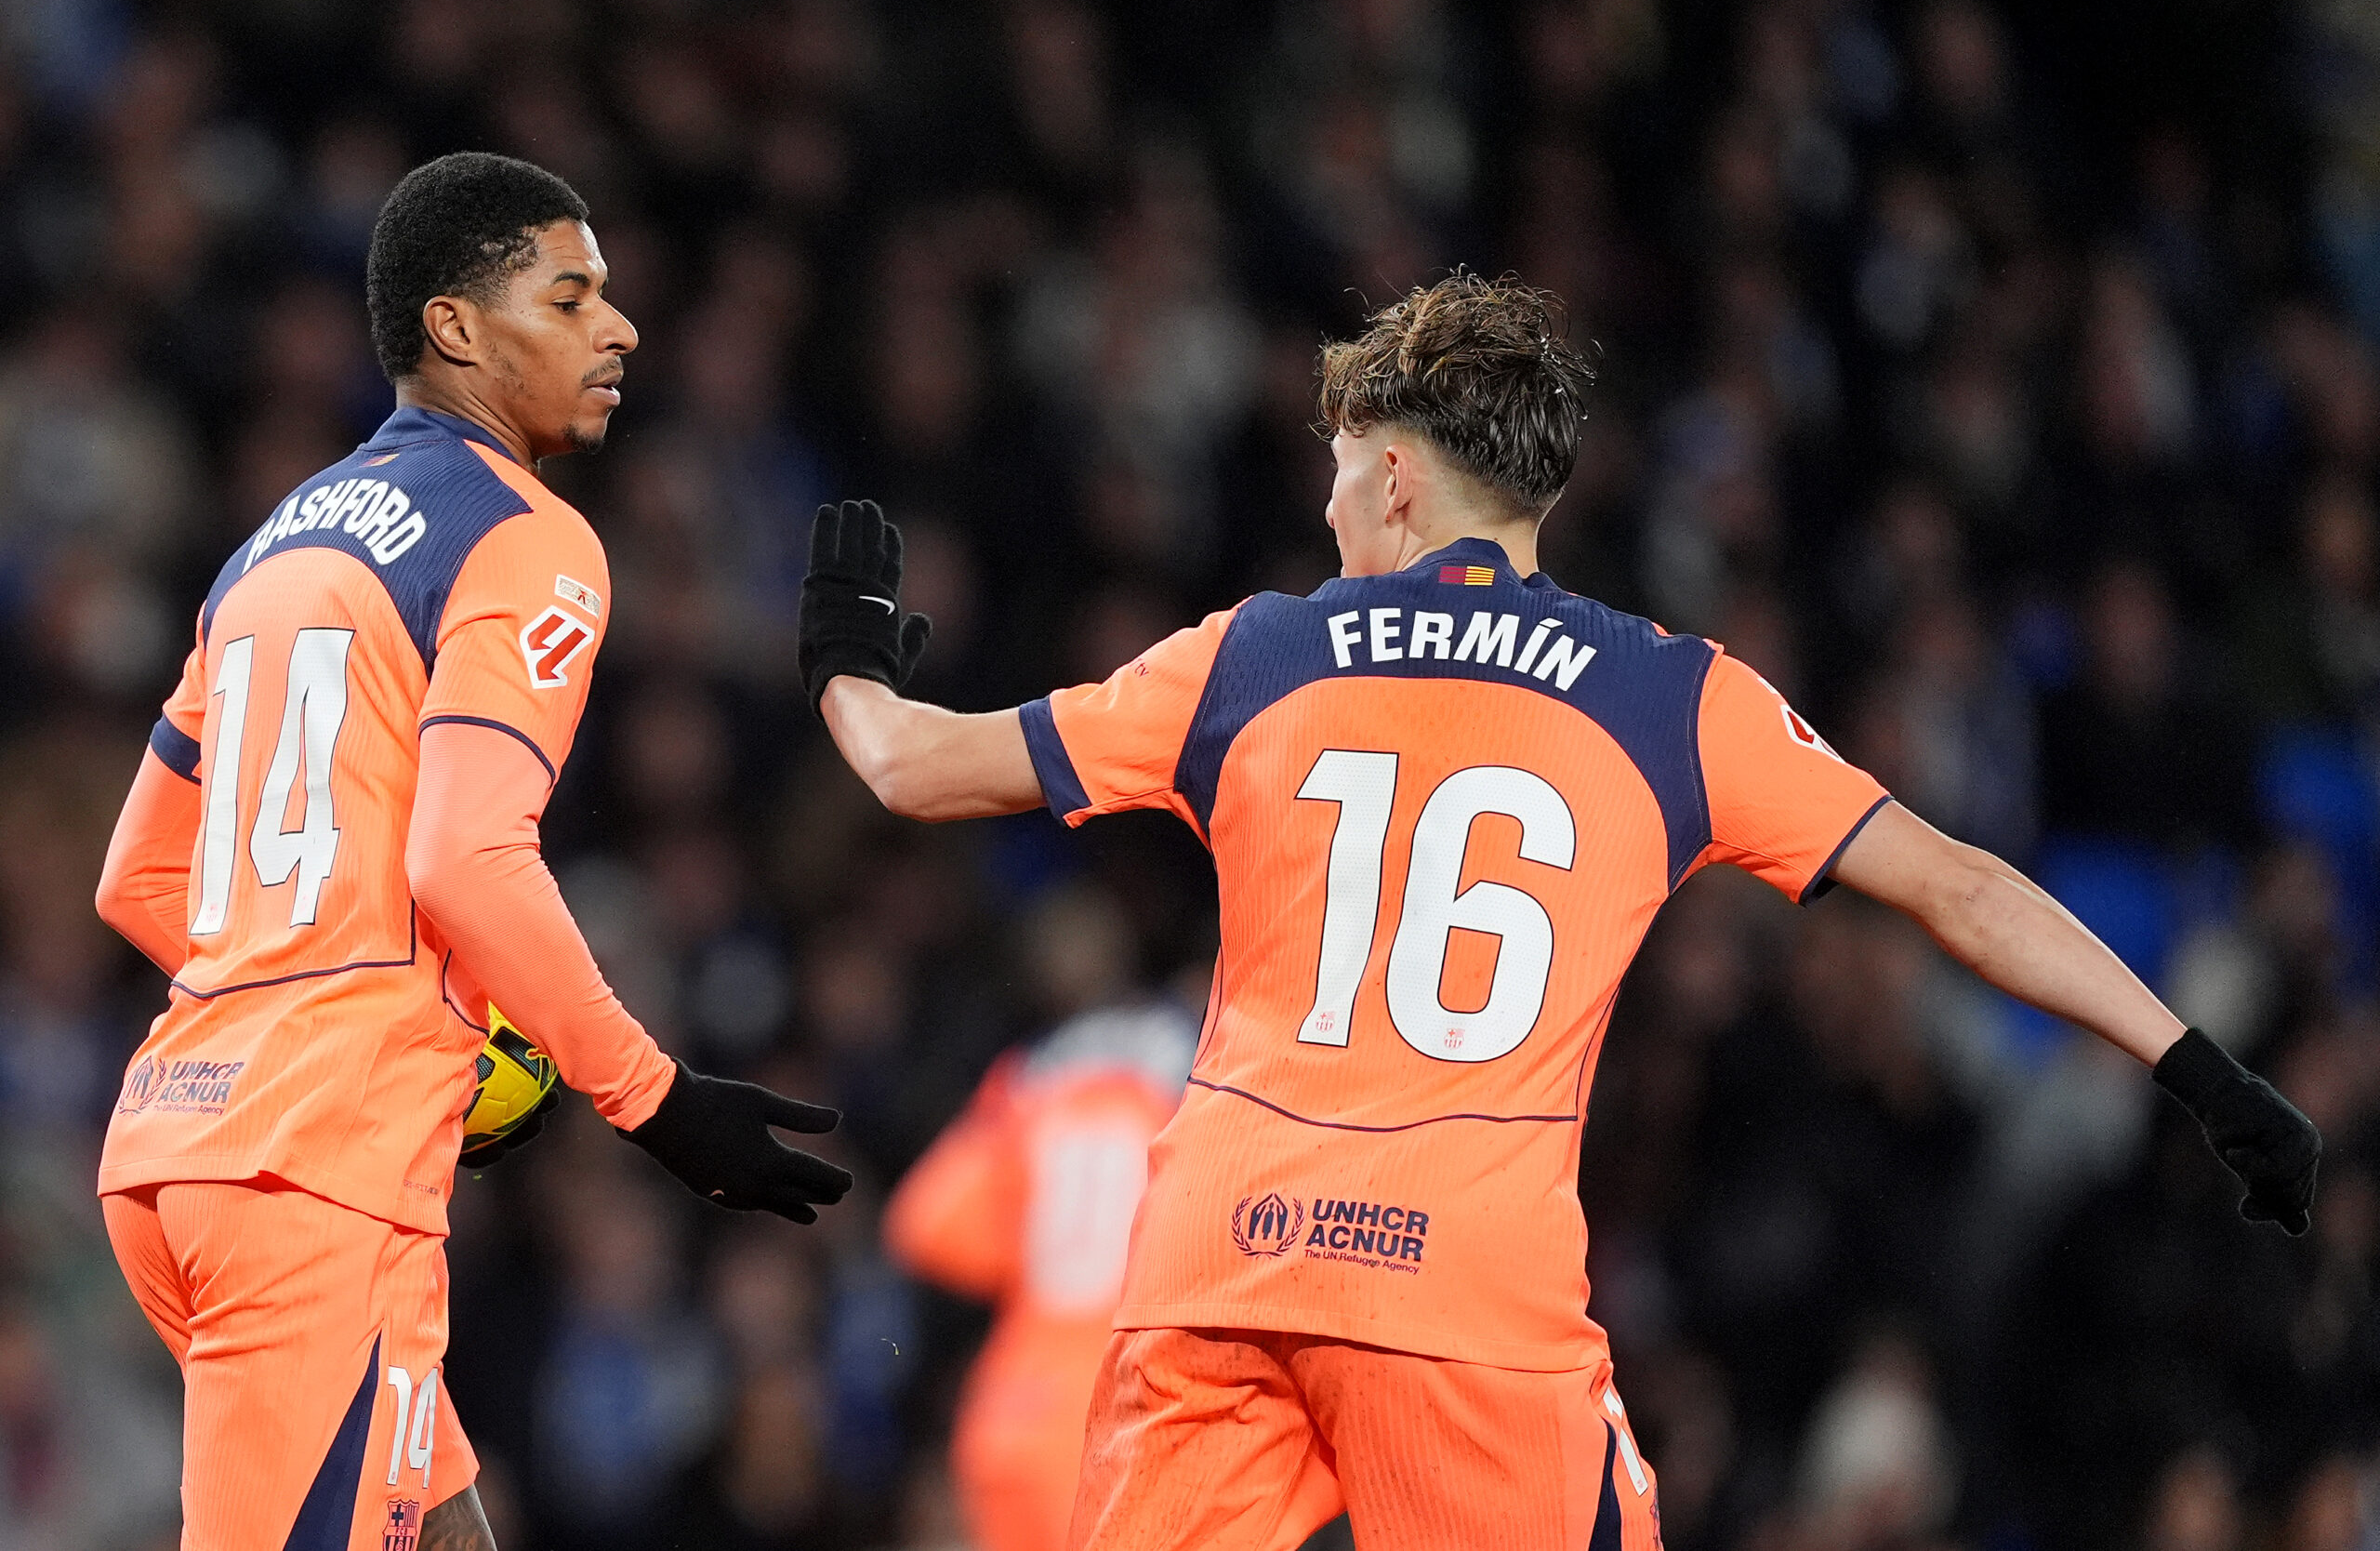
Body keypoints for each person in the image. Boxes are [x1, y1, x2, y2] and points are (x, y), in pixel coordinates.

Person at [801, 272, 2320, 1551]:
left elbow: (907, 765)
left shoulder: (1249, 657)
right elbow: (1960, 886)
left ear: (1401, 476)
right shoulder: (1670, 699)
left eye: (1341, 466)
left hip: (1218, 1268)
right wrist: (2200, 1068)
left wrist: (847, 658)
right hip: (1461, 1298)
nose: (1328, 502)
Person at [92, 152, 852, 1551]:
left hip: (178, 1147)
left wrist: (364, 1004)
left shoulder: (268, 547)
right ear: (454, 326)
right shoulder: (525, 535)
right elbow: (466, 855)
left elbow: (139, 876)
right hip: (317, 1181)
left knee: (442, 1529)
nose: (620, 328)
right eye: (570, 298)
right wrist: (654, 1099)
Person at [884, 890, 1197, 1551]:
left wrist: (1024, 1248)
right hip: (1124, 1406)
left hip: (1008, 1404)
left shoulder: (1030, 1080)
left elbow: (923, 1224)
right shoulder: (1201, 1062)